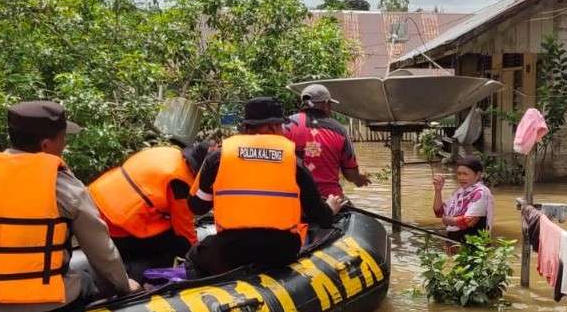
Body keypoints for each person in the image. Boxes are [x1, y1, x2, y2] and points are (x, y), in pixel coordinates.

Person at [0, 101, 139, 312]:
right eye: (63, 138)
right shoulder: (65, 187)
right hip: (47, 304)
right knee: (86, 279)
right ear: (46, 145)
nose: (65, 144)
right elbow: (102, 252)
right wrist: (125, 286)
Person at [187, 97, 344, 277]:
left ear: (246, 127)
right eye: (281, 127)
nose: (283, 132)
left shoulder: (218, 158)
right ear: (272, 127)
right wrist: (330, 208)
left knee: (193, 256)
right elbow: (320, 216)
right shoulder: (294, 161)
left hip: (231, 251)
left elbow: (196, 206)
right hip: (281, 252)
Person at [88, 140, 212, 281]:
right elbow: (185, 232)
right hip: (115, 224)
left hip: (95, 198)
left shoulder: (169, 153)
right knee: (176, 243)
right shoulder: (181, 183)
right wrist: (199, 259)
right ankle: (142, 278)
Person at [285, 83, 370, 198]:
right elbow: (351, 175)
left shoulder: (285, 125)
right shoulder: (339, 130)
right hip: (329, 201)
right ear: (325, 104)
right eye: (330, 105)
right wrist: (360, 179)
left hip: (292, 198)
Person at [432, 155, 495, 243]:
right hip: (454, 243)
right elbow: (439, 212)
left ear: (477, 175)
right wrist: (438, 190)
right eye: (459, 174)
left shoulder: (481, 192)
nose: (461, 178)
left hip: (472, 246)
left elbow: (467, 221)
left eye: (465, 174)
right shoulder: (458, 193)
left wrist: (447, 220)